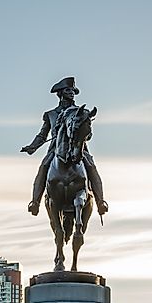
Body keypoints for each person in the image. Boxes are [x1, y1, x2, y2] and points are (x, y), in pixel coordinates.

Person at [20, 76, 108, 216]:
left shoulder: (81, 112)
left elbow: (88, 133)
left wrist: (84, 135)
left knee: (90, 166)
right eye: (68, 90)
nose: (72, 93)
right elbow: (43, 135)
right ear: (60, 93)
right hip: (56, 149)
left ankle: (100, 202)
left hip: (78, 147)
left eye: (73, 90)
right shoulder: (50, 114)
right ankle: (35, 202)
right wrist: (32, 147)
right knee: (43, 167)